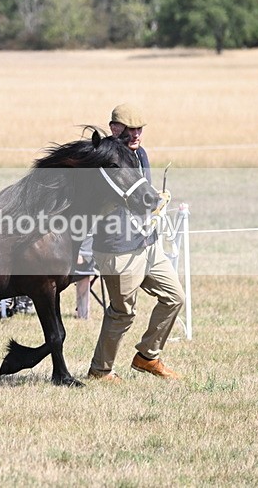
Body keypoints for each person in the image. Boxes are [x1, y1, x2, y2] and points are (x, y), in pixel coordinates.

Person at [87, 103, 185, 383]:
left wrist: (156, 199)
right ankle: (100, 371)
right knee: (122, 313)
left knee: (175, 297)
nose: (136, 134)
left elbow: (141, 193)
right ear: (113, 128)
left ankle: (147, 356)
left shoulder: (140, 154)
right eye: (129, 129)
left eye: (139, 128)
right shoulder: (103, 161)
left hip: (148, 243)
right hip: (118, 249)